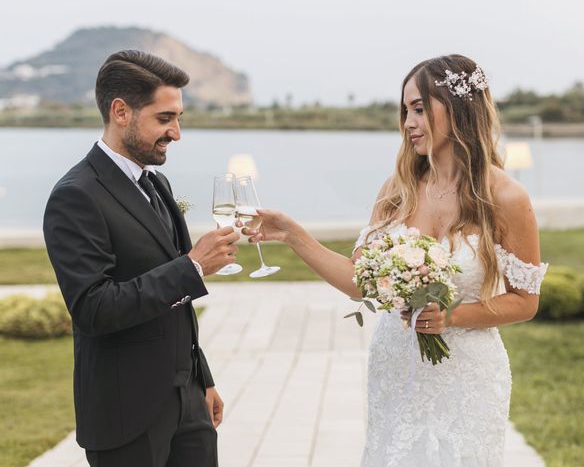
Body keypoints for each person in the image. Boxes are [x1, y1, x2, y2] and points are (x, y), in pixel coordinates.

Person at [243, 54, 548, 466]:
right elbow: (361, 282)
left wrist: (452, 316)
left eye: (420, 109)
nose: (408, 123)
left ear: (458, 110)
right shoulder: (398, 188)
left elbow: (525, 301)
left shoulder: (507, 198)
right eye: (405, 111)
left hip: (467, 378)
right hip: (396, 367)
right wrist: (293, 236)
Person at [43, 50, 239, 467]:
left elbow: (175, 303)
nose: (177, 133)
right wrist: (192, 267)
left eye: (179, 118)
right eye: (165, 118)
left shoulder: (158, 183)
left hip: (187, 404)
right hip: (125, 413)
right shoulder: (76, 196)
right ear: (121, 112)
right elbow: (93, 308)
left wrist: (200, 380)